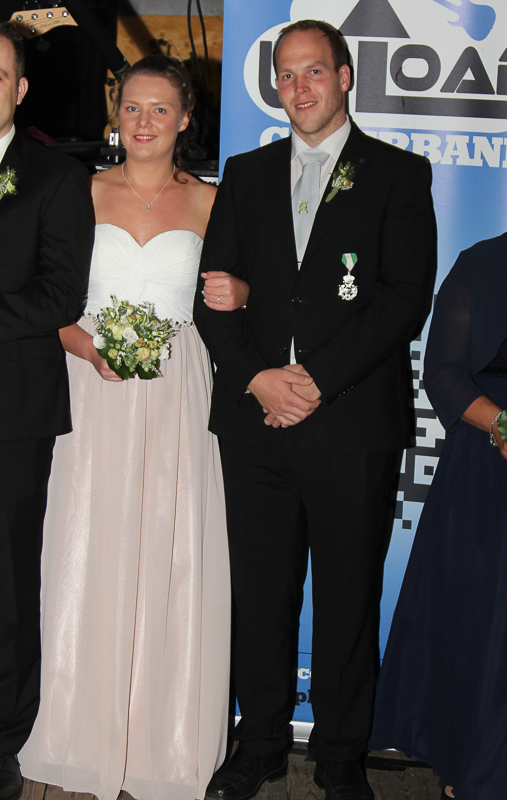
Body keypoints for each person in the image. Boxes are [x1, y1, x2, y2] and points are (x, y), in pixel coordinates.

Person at [193, 19, 436, 800]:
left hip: (351, 424)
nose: (298, 87)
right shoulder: (245, 173)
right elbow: (212, 296)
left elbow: (402, 297)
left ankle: (338, 757)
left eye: (313, 71)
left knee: (346, 600)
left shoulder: (398, 174)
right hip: (254, 425)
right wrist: (259, 380)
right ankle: (259, 744)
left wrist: (314, 382)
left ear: (344, 76)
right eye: (285, 74)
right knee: (260, 596)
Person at [19, 55, 248, 800]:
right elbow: (49, 297)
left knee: (172, 549)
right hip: (92, 386)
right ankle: (81, 730)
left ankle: (162, 739)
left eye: (160, 109)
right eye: (131, 107)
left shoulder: (214, 201)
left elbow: (251, 296)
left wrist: (242, 293)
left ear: (186, 119)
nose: (143, 121)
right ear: (115, 116)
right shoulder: (78, 190)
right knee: (86, 543)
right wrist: (87, 347)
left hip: (178, 388)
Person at [370, 186, 507, 797]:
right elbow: (442, 370)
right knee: (488, 624)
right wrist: (506, 427)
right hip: (494, 474)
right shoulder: (484, 262)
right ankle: (479, 767)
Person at [0, 22, 94, 800]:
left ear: (20, 89)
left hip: (12, 410)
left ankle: (4, 737)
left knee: (4, 583)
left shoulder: (55, 176)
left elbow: (61, 294)